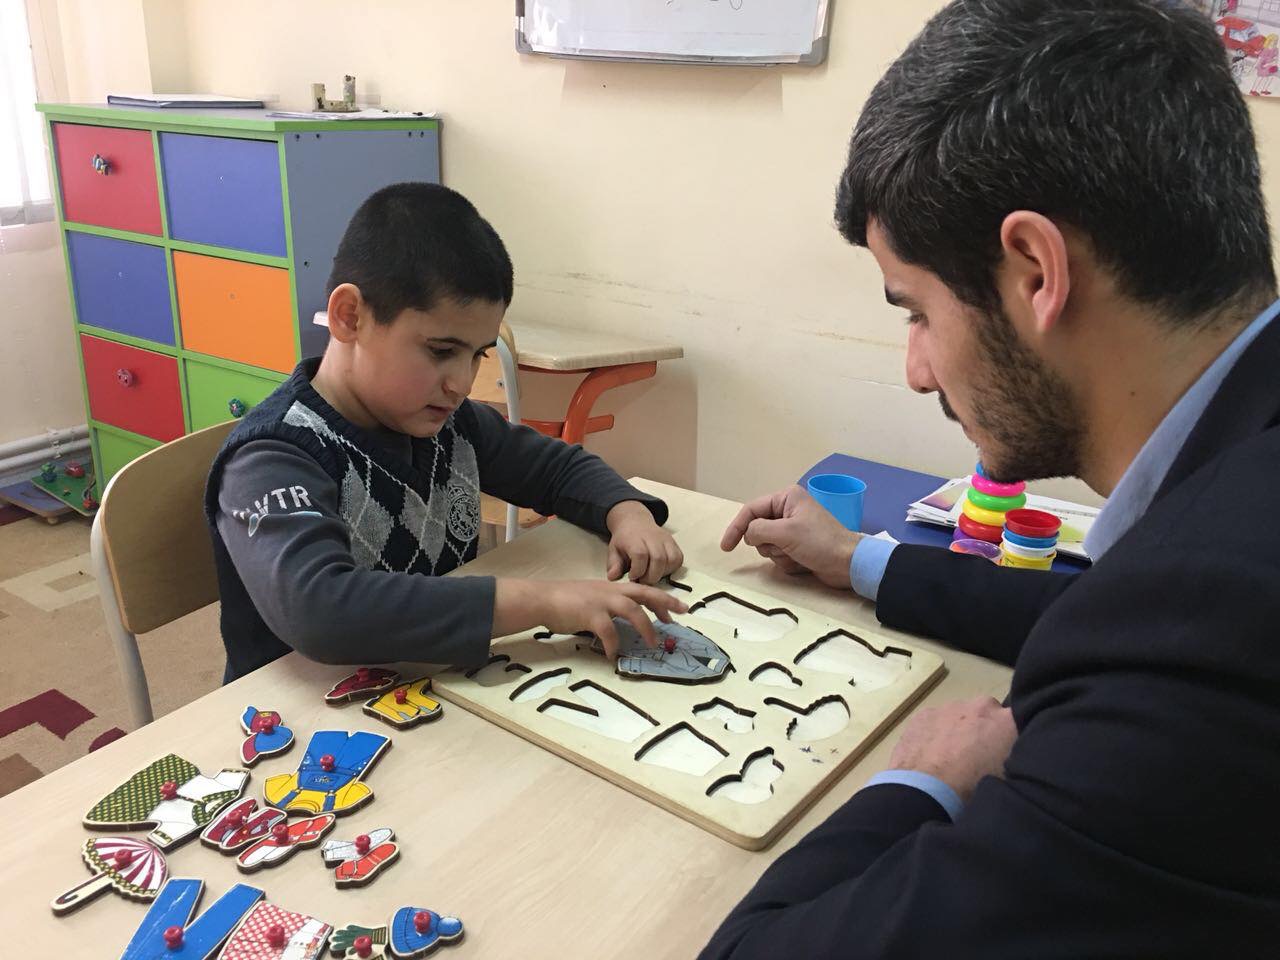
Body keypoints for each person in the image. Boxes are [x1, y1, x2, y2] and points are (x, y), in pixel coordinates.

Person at [702, 0, 1280, 955]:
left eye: (917, 310)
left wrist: (918, 780)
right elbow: (1104, 612)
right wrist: (860, 560)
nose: (917, 368)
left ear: (1036, 270)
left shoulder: (1211, 648)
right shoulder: (1230, 499)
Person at [205, 182, 685, 683]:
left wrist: (628, 514)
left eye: (477, 354)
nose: (461, 382)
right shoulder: (270, 457)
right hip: (300, 722)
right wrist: (544, 600)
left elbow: (556, 466)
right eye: (440, 351)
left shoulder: (446, 423)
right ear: (350, 317)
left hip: (425, 685)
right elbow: (321, 609)